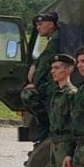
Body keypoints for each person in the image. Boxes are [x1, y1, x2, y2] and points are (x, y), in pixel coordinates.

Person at [21, 11, 60, 140]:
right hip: (52, 83)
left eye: (40, 24)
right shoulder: (54, 38)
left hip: (52, 86)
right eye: (37, 25)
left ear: (51, 24)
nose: (38, 28)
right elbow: (43, 58)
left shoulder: (55, 40)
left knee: (29, 95)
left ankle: (46, 128)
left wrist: (35, 84)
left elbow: (45, 63)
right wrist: (34, 64)